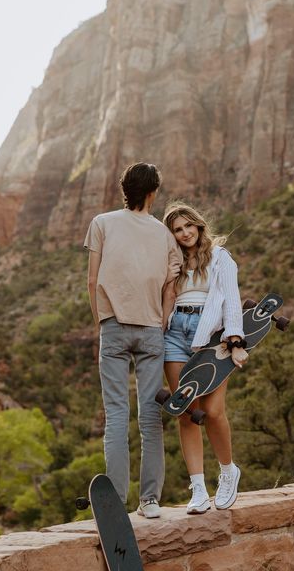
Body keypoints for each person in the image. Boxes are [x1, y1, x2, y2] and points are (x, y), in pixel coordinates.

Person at [84, 163, 181, 519]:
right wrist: (160, 321)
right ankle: (151, 501)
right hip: (152, 329)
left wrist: (102, 323)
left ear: (124, 189)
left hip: (113, 325)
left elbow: (92, 280)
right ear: (153, 193)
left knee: (116, 416)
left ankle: (116, 503)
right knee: (151, 418)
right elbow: (170, 289)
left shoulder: (102, 223)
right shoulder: (165, 236)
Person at [162, 202, 248, 514]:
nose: (185, 233)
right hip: (174, 334)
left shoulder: (220, 257)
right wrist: (168, 279)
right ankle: (198, 488)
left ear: (199, 226)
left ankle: (228, 471)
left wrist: (235, 339)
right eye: (177, 230)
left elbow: (232, 299)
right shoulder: (171, 262)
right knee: (186, 412)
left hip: (210, 335)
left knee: (212, 411)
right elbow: (163, 301)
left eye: (188, 226)